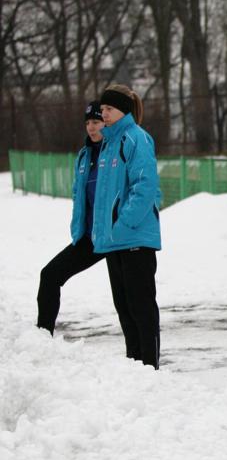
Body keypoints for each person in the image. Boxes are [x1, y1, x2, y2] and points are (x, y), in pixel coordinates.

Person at [93, 84, 162, 370]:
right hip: (115, 241)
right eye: (103, 109)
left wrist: (123, 225)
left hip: (135, 238)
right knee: (124, 307)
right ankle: (134, 365)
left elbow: (145, 187)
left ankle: (149, 366)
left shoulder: (136, 139)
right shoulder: (108, 144)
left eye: (109, 109)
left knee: (141, 307)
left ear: (123, 110)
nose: (103, 114)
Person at [36, 102, 108, 334]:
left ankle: (139, 361)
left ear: (107, 122)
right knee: (49, 275)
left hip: (115, 236)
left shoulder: (116, 151)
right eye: (87, 123)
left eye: (96, 122)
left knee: (127, 297)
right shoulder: (84, 156)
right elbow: (79, 194)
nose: (91, 127)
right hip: (89, 237)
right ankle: (42, 335)